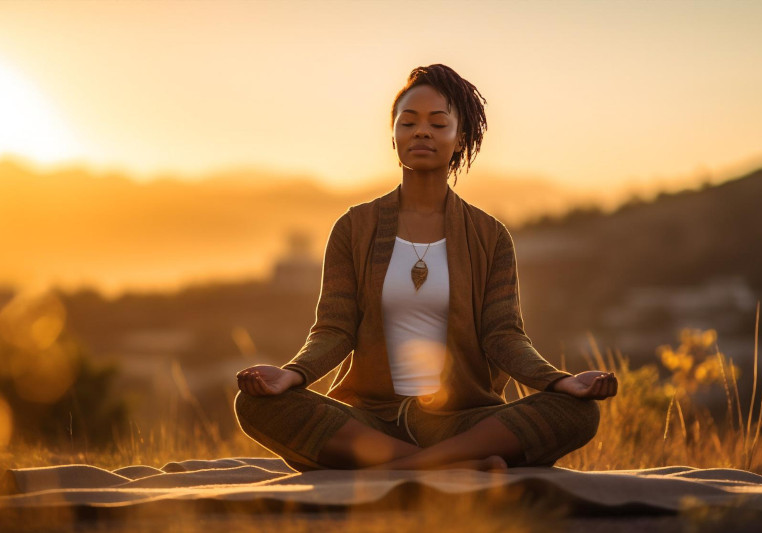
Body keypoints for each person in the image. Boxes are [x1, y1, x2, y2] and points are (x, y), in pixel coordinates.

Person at [235, 64, 617, 472]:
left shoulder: (490, 236)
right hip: (373, 419)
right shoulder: (355, 227)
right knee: (256, 404)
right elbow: (334, 328)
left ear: (460, 139)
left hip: (461, 419)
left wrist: (560, 382)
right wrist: (292, 375)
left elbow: (503, 335)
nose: (421, 132)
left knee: (577, 412)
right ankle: (448, 465)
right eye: (409, 122)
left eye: (438, 123)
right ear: (394, 136)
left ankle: (404, 463)